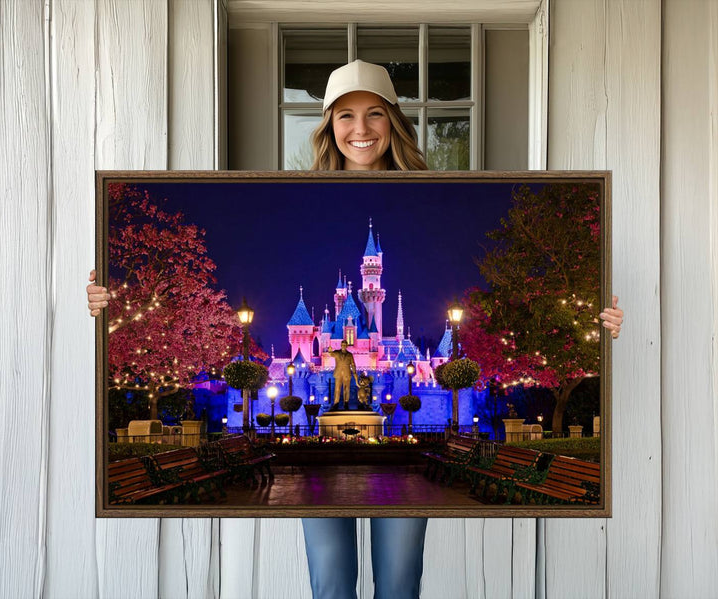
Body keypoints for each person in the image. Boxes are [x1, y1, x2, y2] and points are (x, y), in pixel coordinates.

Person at [86, 60, 625, 599]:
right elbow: (321, 349)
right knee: (331, 582)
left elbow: (385, 350)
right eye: (346, 115)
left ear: (393, 121)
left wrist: (600, 322)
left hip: (391, 449)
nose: (360, 129)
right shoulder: (328, 314)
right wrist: (108, 305)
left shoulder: (410, 233)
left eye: (374, 115)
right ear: (328, 125)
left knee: (397, 583)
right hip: (326, 458)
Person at [325, 340, 358, 408]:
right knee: (337, 389)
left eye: (345, 345)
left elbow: (352, 364)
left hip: (347, 373)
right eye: (342, 345)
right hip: (338, 373)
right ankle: (336, 403)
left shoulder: (349, 355)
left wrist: (354, 373)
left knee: (346, 389)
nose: (343, 346)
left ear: (347, 346)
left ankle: (346, 402)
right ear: (341, 345)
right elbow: (331, 354)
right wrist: (329, 350)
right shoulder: (337, 353)